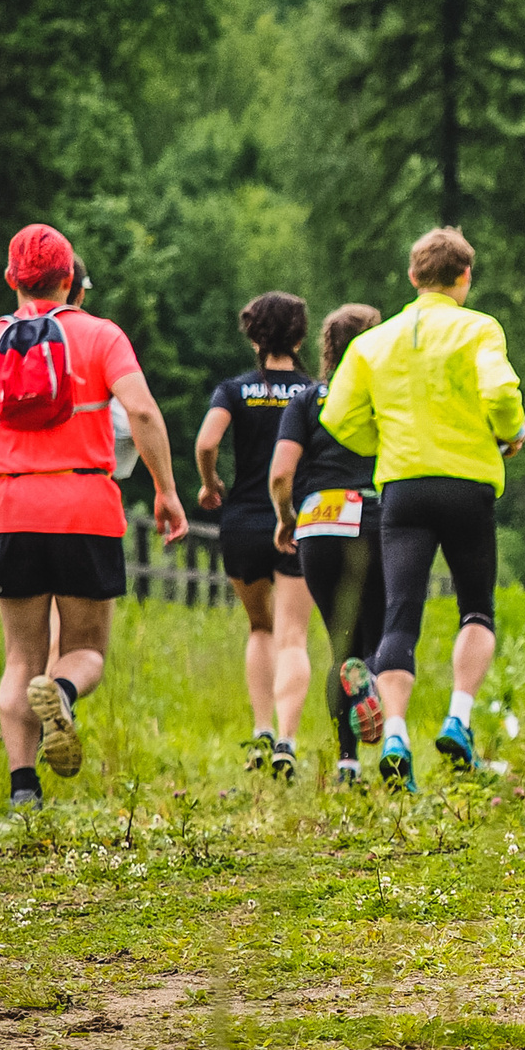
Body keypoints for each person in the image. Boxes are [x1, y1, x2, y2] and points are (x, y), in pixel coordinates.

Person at [0, 224, 187, 807]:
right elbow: (142, 413)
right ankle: (64, 691)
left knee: (20, 657)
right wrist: (166, 490)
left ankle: (24, 788)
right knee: (87, 649)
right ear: (69, 278)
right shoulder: (101, 337)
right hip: (85, 511)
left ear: (9, 281)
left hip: (10, 512)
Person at [320, 226, 524, 790]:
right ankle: (459, 718)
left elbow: (337, 418)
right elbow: (502, 393)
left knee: (400, 613)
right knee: (476, 607)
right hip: (468, 483)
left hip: (403, 487)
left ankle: (394, 736)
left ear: (412, 277)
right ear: (465, 277)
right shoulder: (478, 328)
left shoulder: (373, 342)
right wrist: (512, 433)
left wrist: (379, 443)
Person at [268, 303, 389, 787]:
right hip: (375, 515)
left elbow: (281, 473)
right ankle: (373, 680)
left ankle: (347, 762)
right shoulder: (385, 396)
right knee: (377, 638)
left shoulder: (307, 400)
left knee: (339, 641)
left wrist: (286, 519)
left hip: (317, 524)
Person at [193, 292, 315, 776]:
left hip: (242, 520)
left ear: (252, 337)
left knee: (259, 628)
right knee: (293, 638)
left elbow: (207, 441)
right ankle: (287, 738)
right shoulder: (312, 391)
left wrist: (210, 483)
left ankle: (261, 730)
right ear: (301, 336)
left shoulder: (235, 390)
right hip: (297, 522)